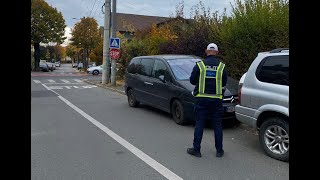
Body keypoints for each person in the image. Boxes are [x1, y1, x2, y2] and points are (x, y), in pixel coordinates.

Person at [187, 43, 228, 158]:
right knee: (217, 126)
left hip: (202, 100)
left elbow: (192, 81)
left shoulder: (200, 65)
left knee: (199, 124)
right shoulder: (222, 66)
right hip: (216, 101)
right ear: (217, 52)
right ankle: (219, 151)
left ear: (206, 51)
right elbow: (224, 83)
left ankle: (196, 150)